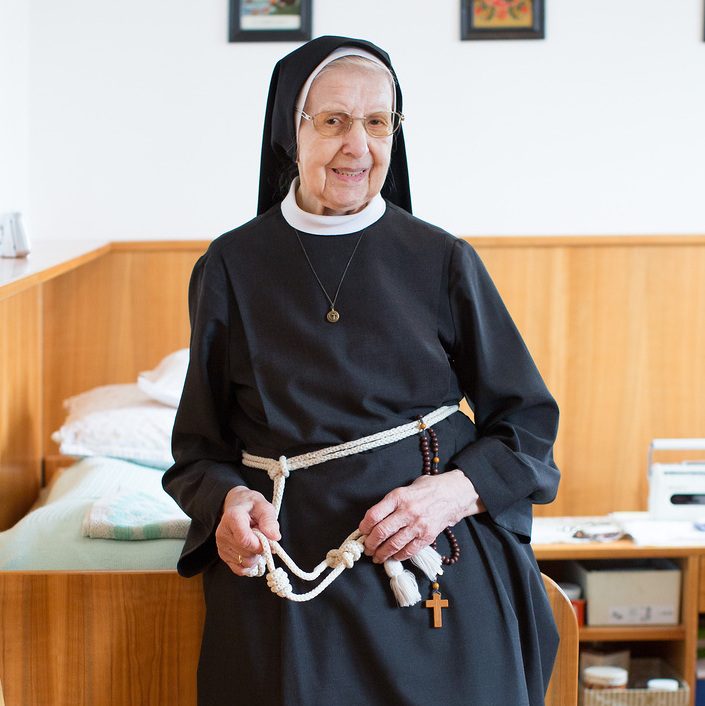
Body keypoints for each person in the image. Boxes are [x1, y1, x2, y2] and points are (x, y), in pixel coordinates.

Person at [164, 35, 561, 706]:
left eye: (378, 122)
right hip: (290, 579)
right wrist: (228, 503)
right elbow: (199, 453)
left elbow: (526, 425)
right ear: (290, 132)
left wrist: (452, 494)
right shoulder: (230, 267)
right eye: (333, 121)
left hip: (434, 564)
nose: (358, 145)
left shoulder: (442, 259)